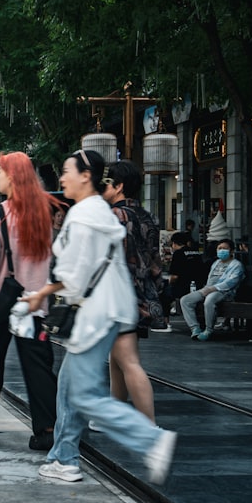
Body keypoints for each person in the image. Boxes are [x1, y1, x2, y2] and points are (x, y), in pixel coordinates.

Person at [25, 149, 176, 485]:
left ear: (85, 175)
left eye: (66, 171)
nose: (61, 177)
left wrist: (42, 293)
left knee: (81, 394)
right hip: (112, 309)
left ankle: (149, 439)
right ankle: (63, 457)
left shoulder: (83, 217)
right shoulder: (100, 211)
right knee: (68, 386)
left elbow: (75, 275)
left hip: (97, 314)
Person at [0, 151, 59, 451]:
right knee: (38, 366)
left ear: (13, 177)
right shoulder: (48, 213)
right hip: (34, 307)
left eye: (1, 173)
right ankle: (45, 428)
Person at [101, 161, 163, 424]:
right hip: (141, 290)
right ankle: (115, 414)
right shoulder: (147, 216)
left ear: (119, 186)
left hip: (118, 292)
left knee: (127, 360)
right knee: (117, 357)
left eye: (106, 182)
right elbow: (154, 259)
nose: (102, 187)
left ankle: (148, 426)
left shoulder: (114, 216)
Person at [180, 238, 244, 341]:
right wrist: (206, 289)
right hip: (207, 289)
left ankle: (208, 330)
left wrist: (212, 289)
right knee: (185, 300)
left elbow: (230, 283)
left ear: (232, 251)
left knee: (209, 300)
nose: (221, 250)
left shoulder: (236, 265)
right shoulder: (216, 263)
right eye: (219, 248)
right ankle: (195, 328)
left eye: (225, 248)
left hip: (224, 292)